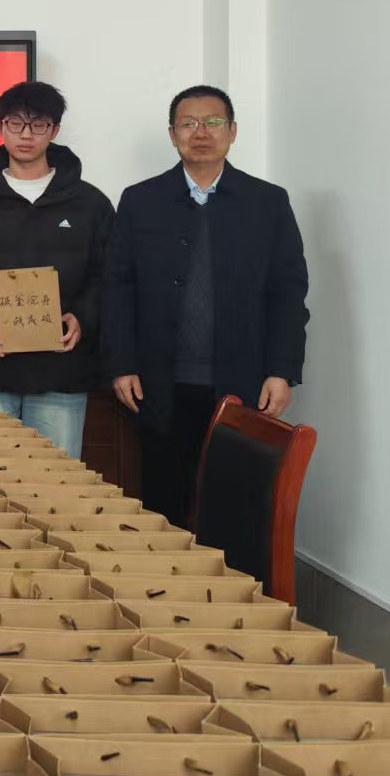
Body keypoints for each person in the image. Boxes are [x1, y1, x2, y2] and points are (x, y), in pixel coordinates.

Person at [105, 85, 310, 528]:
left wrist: (282, 369)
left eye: (213, 122)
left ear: (232, 132)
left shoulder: (267, 201)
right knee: (165, 505)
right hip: (159, 382)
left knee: (235, 504)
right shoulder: (140, 200)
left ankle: (231, 575)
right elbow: (118, 288)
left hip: (242, 379)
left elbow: (288, 292)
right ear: (172, 134)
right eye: (188, 123)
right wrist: (121, 364)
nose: (201, 133)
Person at [0, 81, 113, 457]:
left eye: (38, 124)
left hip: (62, 370)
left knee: (56, 481)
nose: (26, 134)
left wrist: (82, 317)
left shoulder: (89, 203)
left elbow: (108, 275)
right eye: (15, 123)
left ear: (54, 130)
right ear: (0, 126)